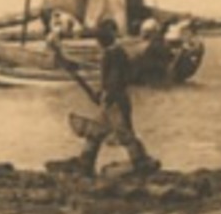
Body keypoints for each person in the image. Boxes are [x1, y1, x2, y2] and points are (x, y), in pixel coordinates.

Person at [66, 17, 159, 177]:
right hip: (114, 98)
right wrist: (102, 93)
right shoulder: (114, 52)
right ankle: (85, 163)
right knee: (96, 131)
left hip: (115, 101)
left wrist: (107, 96)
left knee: (122, 132)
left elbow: (115, 79)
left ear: (106, 38)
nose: (97, 41)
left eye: (99, 37)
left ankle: (140, 162)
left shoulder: (114, 54)